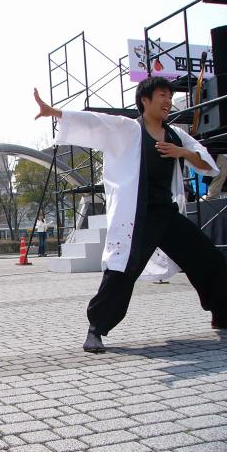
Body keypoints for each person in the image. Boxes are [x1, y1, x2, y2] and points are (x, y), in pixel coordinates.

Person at [34, 77, 227, 353]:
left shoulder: (175, 135)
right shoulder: (129, 130)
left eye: (169, 97)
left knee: (208, 258)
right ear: (145, 100)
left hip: (167, 214)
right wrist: (55, 112)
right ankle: (96, 329)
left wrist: (182, 152)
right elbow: (96, 122)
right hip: (139, 216)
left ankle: (222, 313)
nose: (167, 101)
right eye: (162, 96)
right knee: (122, 270)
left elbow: (207, 163)